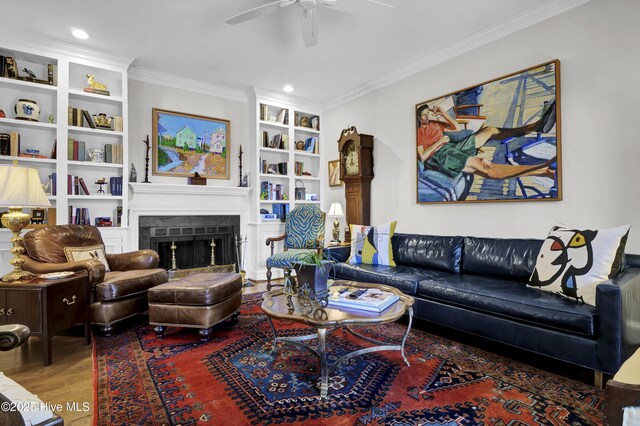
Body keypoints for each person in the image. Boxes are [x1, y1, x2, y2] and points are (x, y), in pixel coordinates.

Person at [417, 102, 555, 180]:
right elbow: (422, 157)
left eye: (428, 113)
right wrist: (439, 142)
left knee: (490, 130)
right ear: (418, 118)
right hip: (440, 155)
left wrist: (443, 114)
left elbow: (457, 128)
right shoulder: (418, 133)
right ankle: (546, 171)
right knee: (484, 165)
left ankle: (537, 126)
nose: (427, 117)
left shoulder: (435, 124)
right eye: (424, 115)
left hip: (451, 146)